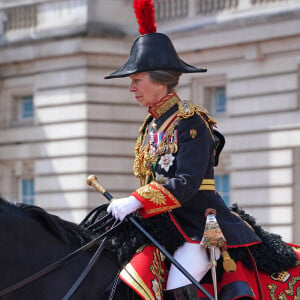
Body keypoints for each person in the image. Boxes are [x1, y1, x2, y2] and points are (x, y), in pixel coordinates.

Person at [103, 1, 297, 299]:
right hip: (163, 224)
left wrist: (137, 199)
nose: (132, 88)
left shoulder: (190, 121)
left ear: (160, 80)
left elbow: (187, 182)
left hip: (199, 225)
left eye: (137, 80)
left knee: (176, 285)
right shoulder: (152, 125)